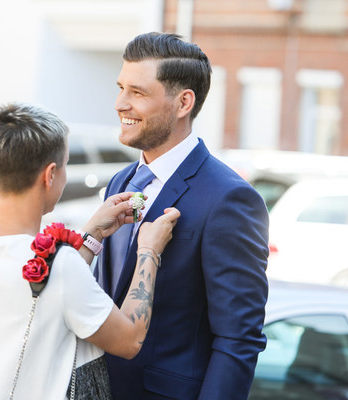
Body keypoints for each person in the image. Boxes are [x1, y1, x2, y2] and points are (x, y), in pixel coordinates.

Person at [0, 102, 180, 400]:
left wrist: (93, 234)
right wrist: (149, 251)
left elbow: (47, 293)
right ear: (50, 174)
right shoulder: (60, 266)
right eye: (66, 164)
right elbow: (129, 339)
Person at [94, 32, 269, 400]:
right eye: (121, 88)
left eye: (138, 93)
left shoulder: (229, 198)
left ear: (183, 102)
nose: (120, 104)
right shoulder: (120, 182)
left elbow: (239, 338)